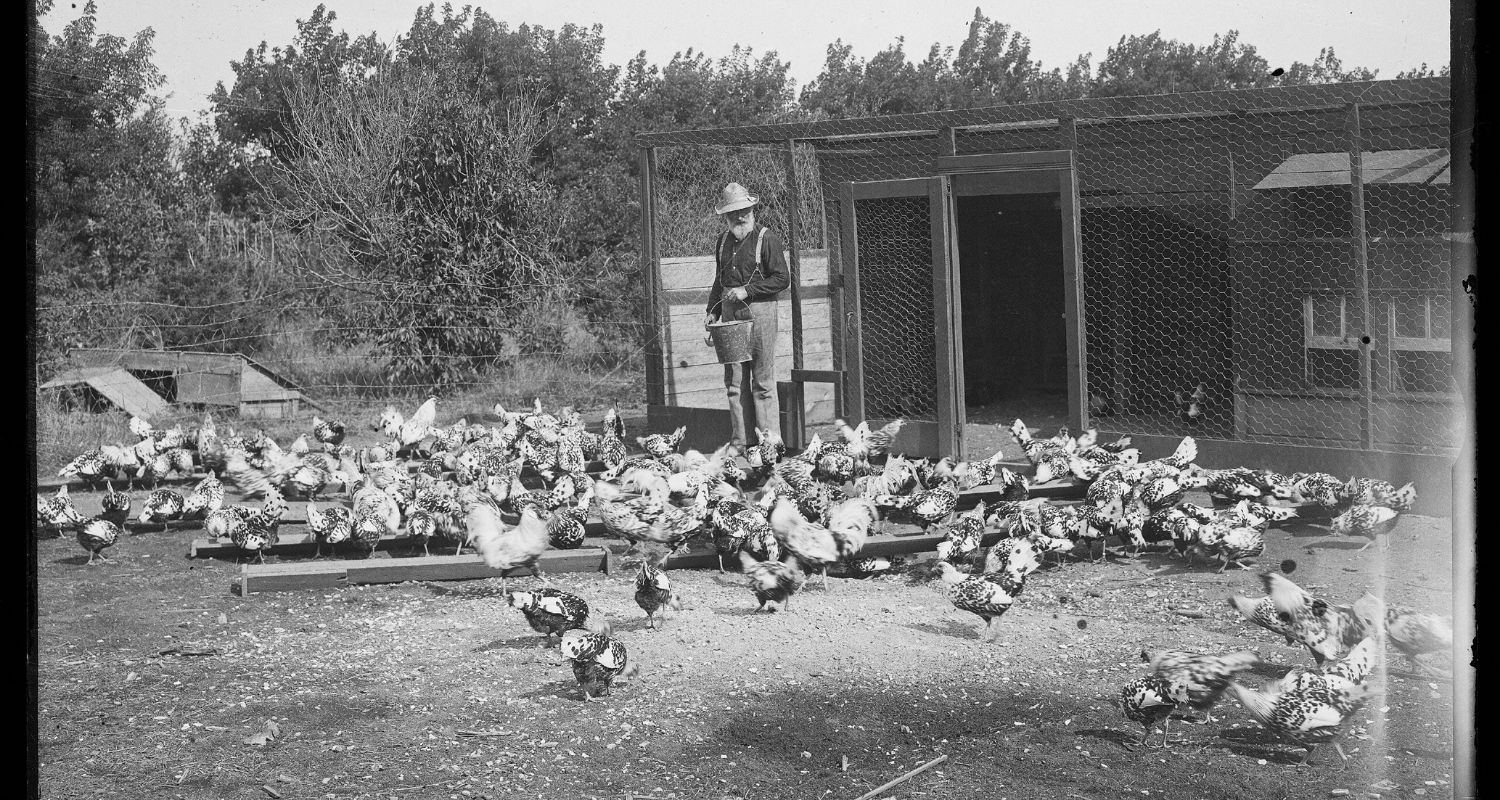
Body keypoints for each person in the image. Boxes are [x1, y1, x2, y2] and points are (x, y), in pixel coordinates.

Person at [704, 183, 790, 448]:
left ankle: (770, 446)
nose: (740, 217)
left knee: (763, 382)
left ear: (752, 210)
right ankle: (742, 444)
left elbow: (782, 278)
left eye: (744, 211)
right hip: (731, 316)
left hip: (761, 314)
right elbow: (720, 281)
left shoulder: (767, 238)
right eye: (734, 213)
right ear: (726, 216)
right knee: (735, 383)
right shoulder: (722, 242)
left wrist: (748, 290)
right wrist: (712, 311)